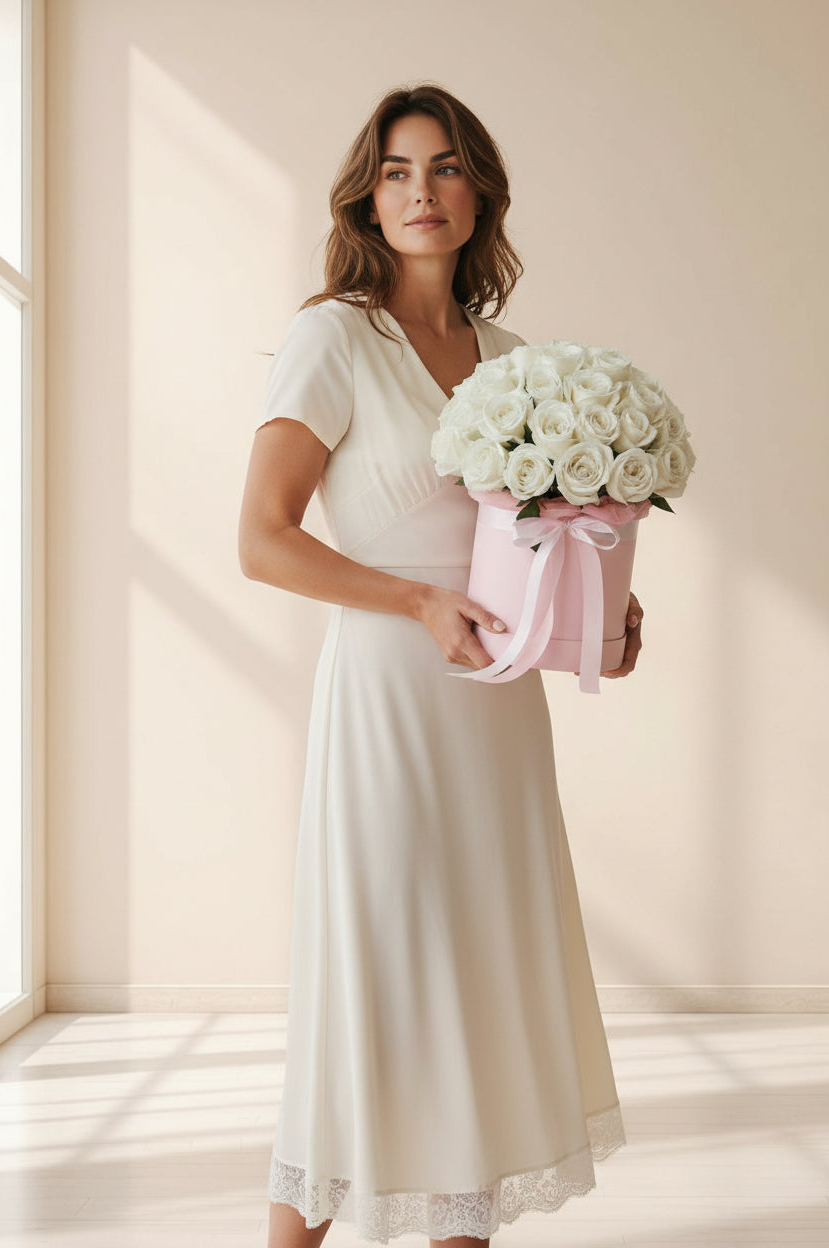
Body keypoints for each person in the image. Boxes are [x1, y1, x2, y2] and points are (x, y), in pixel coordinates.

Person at [238, 82, 642, 1248]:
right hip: (386, 701)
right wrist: (414, 599)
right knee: (375, 985)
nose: (426, 192)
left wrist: (610, 611)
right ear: (370, 193)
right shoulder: (332, 337)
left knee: (479, 977)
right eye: (403, 169)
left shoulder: (515, 361)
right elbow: (261, 540)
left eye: (450, 167)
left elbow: (539, 544)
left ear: (481, 196)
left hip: (495, 711)